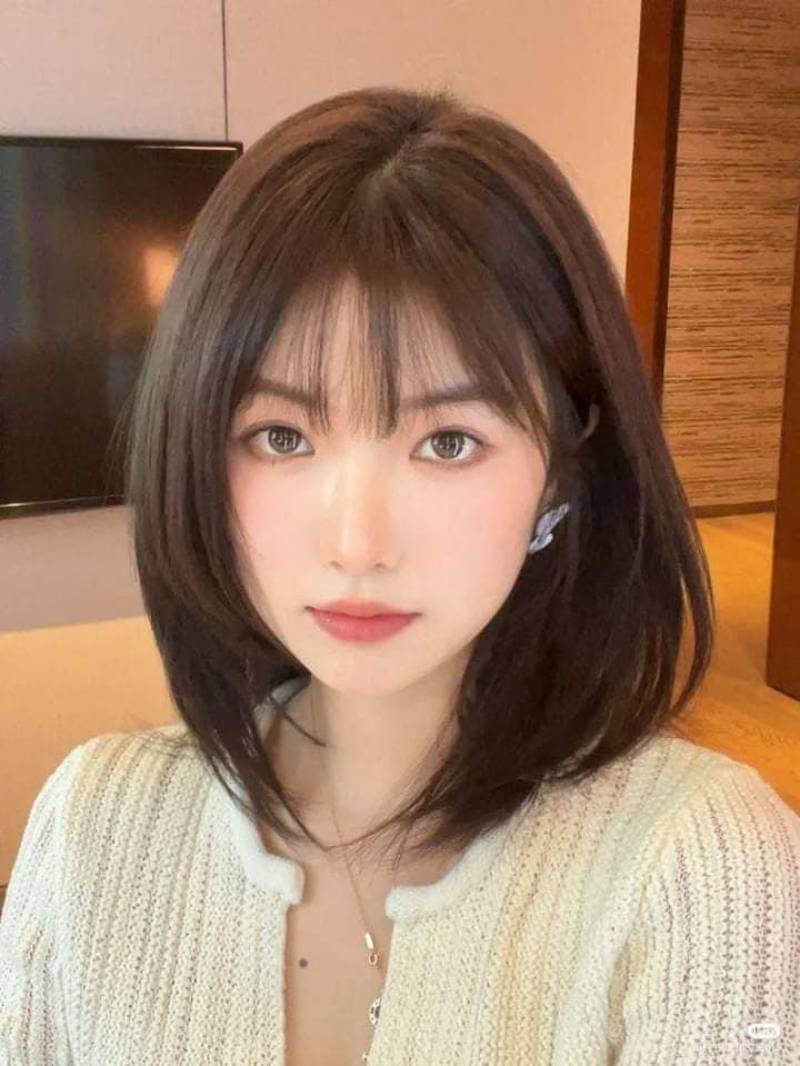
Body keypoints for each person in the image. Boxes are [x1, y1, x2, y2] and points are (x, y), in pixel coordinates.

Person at [1, 85, 798, 1066]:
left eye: (447, 441)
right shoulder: (96, 825)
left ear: (561, 474)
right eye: (281, 435)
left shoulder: (699, 867)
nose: (357, 543)